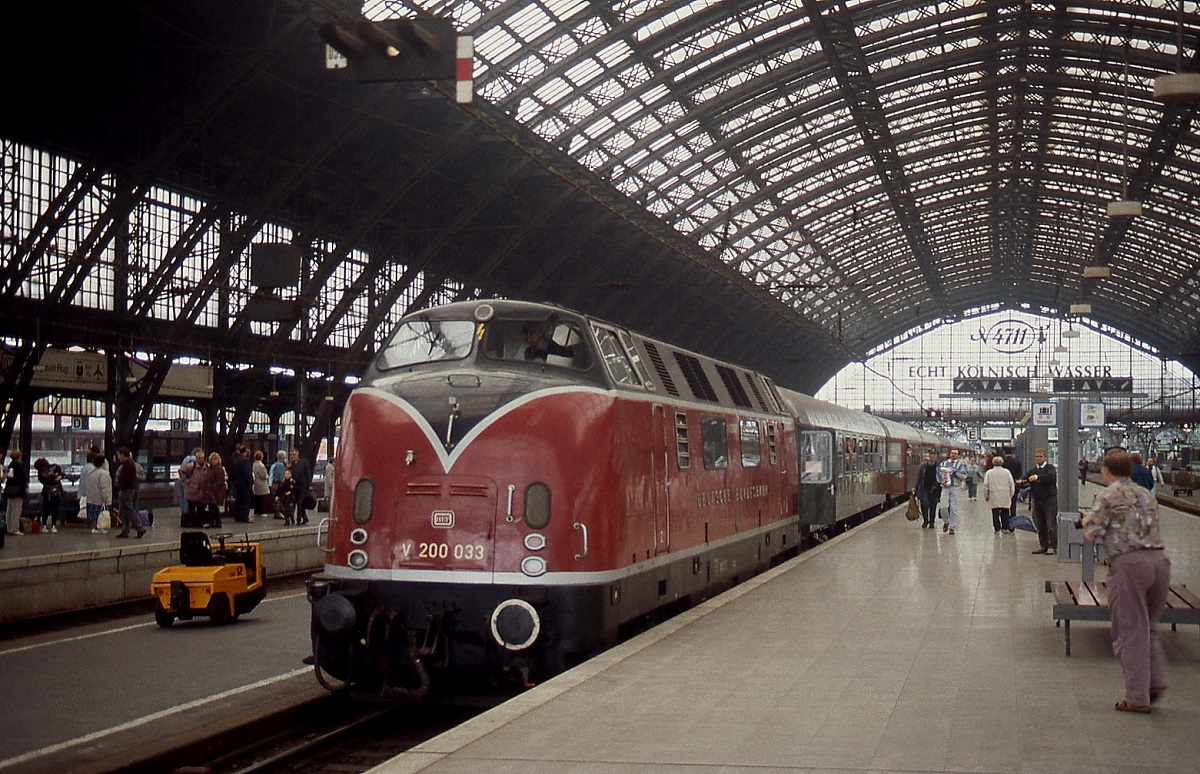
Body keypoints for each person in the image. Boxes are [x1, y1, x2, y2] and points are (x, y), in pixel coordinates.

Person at [1080, 449, 1170, 713]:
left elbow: (1092, 533)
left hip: (1130, 565)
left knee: (1130, 632)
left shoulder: (1107, 495)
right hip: (1159, 562)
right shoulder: (1145, 494)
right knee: (1148, 626)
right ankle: (1155, 682)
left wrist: (1087, 522)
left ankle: (1136, 698)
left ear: (1106, 472)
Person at [1022, 448, 1059, 555]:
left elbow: (1050, 478)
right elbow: (1026, 477)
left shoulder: (1050, 468)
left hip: (1049, 499)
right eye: (1036, 456)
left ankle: (1052, 546)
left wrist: (1038, 477)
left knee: (1050, 523)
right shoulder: (1033, 470)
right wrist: (1021, 480)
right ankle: (1043, 545)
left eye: (1040, 456)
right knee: (1040, 523)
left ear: (1045, 457)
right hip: (1037, 499)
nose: (1038, 458)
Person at [114, 447, 145, 539]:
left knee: (129, 509)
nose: (118, 457)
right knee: (125, 510)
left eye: (119, 455)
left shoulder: (127, 465)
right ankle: (125, 530)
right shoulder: (130, 464)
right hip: (131, 489)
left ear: (123, 454)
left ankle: (139, 527)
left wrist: (119, 486)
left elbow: (125, 478)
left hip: (127, 490)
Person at [936, 448, 968, 535]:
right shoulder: (943, 463)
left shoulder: (960, 465)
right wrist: (941, 481)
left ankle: (952, 527)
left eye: (955, 453)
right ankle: (946, 521)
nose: (953, 455)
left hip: (955, 487)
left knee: (954, 508)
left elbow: (964, 476)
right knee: (943, 506)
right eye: (952, 453)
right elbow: (938, 473)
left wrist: (955, 472)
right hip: (945, 487)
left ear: (958, 455)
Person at [983, 455, 1015, 533]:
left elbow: (985, 485)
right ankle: (1005, 527)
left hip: (993, 495)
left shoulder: (989, 472)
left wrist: (986, 496)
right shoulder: (1007, 472)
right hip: (1005, 494)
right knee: (1005, 511)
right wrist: (1011, 494)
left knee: (995, 512)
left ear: (993, 463)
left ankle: (997, 528)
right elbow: (1011, 483)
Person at [178, 448, 209, 527]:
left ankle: (199, 522)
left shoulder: (207, 467)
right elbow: (181, 471)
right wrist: (185, 480)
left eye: (202, 458)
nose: (200, 460)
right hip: (192, 490)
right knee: (191, 508)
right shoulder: (191, 465)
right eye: (199, 458)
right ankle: (190, 522)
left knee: (201, 509)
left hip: (201, 492)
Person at [34, 457, 65, 533]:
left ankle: (53, 525)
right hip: (47, 490)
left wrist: (58, 477)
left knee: (55, 508)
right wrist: (48, 476)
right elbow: (43, 480)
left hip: (56, 489)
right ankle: (44, 525)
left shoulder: (55, 467)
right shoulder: (40, 473)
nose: (43, 469)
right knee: (46, 508)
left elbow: (62, 474)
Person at [83, 455, 113, 533]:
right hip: (100, 500)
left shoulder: (91, 473)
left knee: (94, 515)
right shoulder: (104, 474)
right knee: (101, 515)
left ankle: (94, 527)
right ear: (103, 463)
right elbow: (105, 488)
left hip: (91, 499)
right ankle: (100, 528)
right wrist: (106, 498)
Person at [2, 450, 28, 536]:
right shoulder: (19, 466)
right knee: (16, 510)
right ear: (19, 456)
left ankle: (9, 528)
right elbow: (21, 479)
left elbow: (9, 477)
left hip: (9, 490)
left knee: (9, 510)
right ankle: (15, 529)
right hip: (17, 491)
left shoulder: (11, 464)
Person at [227, 443, 254, 523]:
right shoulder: (245, 460)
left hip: (237, 482)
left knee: (238, 501)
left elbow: (231, 472)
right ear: (245, 452)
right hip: (245, 484)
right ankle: (245, 517)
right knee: (245, 501)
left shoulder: (234, 460)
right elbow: (247, 473)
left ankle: (238, 516)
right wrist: (250, 482)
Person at [914, 451, 941, 529]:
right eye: (931, 455)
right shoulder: (923, 466)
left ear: (936, 457)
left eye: (934, 455)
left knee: (933, 505)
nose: (932, 457)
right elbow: (919, 477)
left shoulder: (938, 466)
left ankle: (932, 522)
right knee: (924, 504)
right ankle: (925, 520)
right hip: (924, 488)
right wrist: (915, 487)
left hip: (935, 489)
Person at [203, 452, 228, 528]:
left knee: (212, 506)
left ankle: (211, 522)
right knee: (214, 507)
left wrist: (213, 486)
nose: (214, 461)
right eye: (212, 459)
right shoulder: (210, 468)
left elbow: (220, 480)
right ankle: (218, 522)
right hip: (211, 490)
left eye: (215, 459)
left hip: (217, 491)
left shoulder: (219, 469)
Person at [290, 449, 313, 526]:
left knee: (300, 502)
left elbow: (307, 473)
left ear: (297, 454)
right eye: (292, 455)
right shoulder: (292, 464)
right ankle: (305, 518)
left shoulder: (303, 463)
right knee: (298, 503)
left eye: (294, 455)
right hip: (296, 487)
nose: (293, 456)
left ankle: (299, 519)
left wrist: (309, 485)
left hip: (304, 486)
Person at [1002, 450, 1023, 519]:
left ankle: (1005, 518)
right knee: (1013, 502)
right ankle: (1013, 516)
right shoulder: (1017, 462)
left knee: (1004, 502)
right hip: (1015, 484)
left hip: (1004, 485)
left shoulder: (1002, 462)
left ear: (1005, 453)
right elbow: (1020, 473)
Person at [176, 448, 197, 514]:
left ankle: (183, 512)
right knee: (188, 498)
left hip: (182, 480)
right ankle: (187, 512)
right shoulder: (194, 460)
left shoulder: (186, 459)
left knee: (182, 497)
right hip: (189, 481)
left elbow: (181, 469)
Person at [269, 450, 288, 519]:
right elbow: (281, 476)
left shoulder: (276, 464)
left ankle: (278, 512)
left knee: (276, 498)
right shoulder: (280, 465)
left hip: (274, 483)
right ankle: (278, 512)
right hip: (278, 484)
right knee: (279, 498)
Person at [252, 450, 271, 515]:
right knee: (261, 498)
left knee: (256, 498)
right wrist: (267, 476)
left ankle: (256, 511)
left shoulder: (254, 464)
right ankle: (261, 512)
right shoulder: (261, 465)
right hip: (261, 484)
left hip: (255, 483)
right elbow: (263, 476)